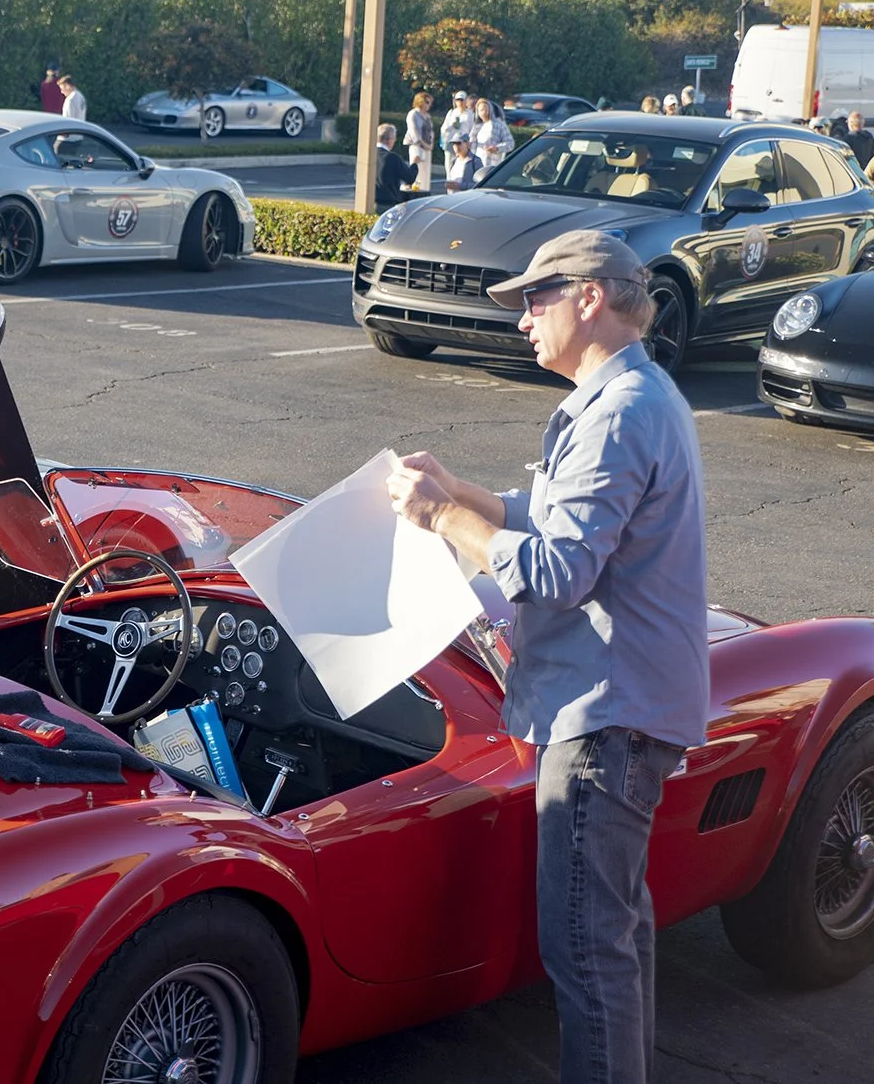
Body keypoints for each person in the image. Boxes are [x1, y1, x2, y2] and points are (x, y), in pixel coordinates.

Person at [387, 229, 707, 1084]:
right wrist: (461, 490)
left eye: (537, 297)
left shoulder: (621, 409)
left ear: (591, 296)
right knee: (615, 943)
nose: (524, 316)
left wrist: (436, 516)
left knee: (587, 953)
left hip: (604, 719)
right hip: (625, 711)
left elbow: (558, 568)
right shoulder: (635, 395)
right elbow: (551, 511)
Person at [373, 123, 417, 208]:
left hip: (370, 203)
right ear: (389, 140)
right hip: (389, 203)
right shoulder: (393, 158)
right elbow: (409, 178)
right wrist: (414, 164)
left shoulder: (368, 156)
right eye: (394, 139)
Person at [404, 91, 436, 193]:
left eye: (430, 102)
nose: (428, 105)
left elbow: (431, 131)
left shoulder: (428, 116)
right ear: (420, 101)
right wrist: (423, 144)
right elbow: (414, 131)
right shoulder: (413, 114)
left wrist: (430, 144)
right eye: (426, 102)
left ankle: (424, 191)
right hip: (416, 146)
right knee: (416, 167)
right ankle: (412, 189)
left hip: (427, 147)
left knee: (425, 172)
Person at [471, 98, 512, 171]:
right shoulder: (477, 127)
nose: (484, 112)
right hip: (479, 166)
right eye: (481, 110)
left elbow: (510, 144)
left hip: (493, 166)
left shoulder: (499, 124)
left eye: (486, 109)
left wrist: (497, 148)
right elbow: (473, 146)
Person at [439, 90, 474, 165]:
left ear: (466, 101)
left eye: (462, 100)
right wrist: (452, 125)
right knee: (449, 165)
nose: (460, 102)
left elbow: (472, 130)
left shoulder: (470, 114)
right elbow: (443, 129)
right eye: (458, 100)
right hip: (451, 143)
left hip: (463, 144)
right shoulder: (451, 112)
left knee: (462, 165)